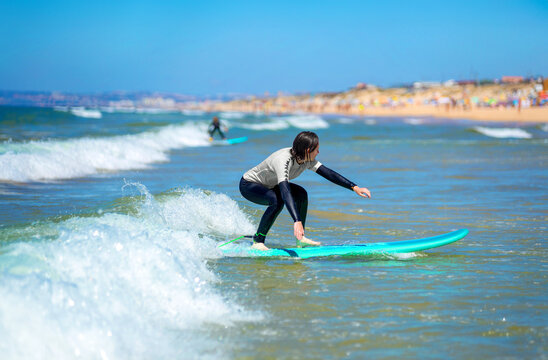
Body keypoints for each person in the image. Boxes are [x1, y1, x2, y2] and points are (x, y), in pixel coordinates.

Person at [239, 131, 371, 251]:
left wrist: (354, 187)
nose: (318, 152)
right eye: (317, 150)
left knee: (301, 194)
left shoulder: (306, 159)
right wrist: (297, 220)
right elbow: (285, 191)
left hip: (270, 185)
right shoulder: (283, 160)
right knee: (277, 201)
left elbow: (328, 173)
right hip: (249, 185)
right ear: (308, 150)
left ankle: (300, 239)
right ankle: (258, 241)